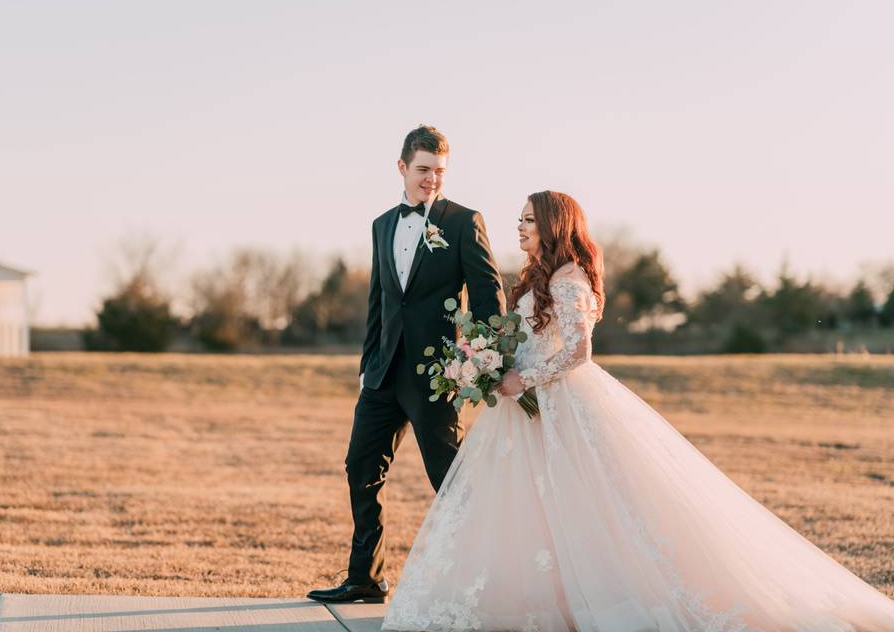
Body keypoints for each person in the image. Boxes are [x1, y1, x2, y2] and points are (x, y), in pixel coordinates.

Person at [381, 190, 894, 631]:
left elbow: (580, 352)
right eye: (519, 219)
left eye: (529, 219)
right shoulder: (539, 275)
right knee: (530, 506)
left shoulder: (568, 279)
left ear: (553, 225)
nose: (519, 227)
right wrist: (484, 363)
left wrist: (522, 377)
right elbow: (533, 339)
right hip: (525, 409)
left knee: (589, 501)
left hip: (562, 404)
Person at [307, 125, 505, 604]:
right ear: (401, 168)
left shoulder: (463, 221)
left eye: (439, 172)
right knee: (360, 467)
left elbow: (487, 294)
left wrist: (478, 360)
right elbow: (379, 300)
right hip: (381, 376)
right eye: (423, 170)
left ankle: (480, 578)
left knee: (447, 477)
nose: (431, 180)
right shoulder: (382, 224)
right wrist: (366, 365)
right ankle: (365, 579)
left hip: (436, 376)